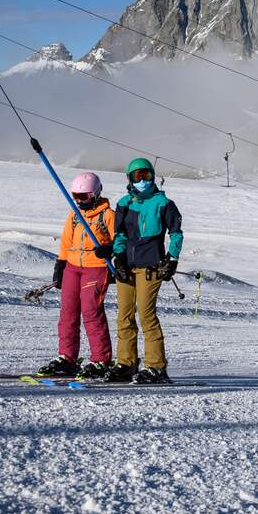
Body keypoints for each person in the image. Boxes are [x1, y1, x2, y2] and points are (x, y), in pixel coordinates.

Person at [101, 158, 184, 385]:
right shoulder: (125, 203)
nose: (142, 181)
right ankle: (126, 364)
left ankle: (156, 367)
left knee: (146, 315)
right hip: (127, 266)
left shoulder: (163, 203)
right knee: (124, 315)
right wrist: (118, 259)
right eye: (137, 176)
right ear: (129, 178)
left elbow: (176, 233)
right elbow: (119, 235)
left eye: (146, 175)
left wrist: (172, 259)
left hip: (151, 267)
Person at [38, 172, 116, 378]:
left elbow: (119, 240)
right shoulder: (74, 215)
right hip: (73, 266)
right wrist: (60, 264)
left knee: (91, 311)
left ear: (96, 194)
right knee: (68, 313)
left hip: (96, 266)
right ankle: (67, 358)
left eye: (84, 197)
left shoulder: (108, 215)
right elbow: (66, 241)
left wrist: (110, 249)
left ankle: (101, 359)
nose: (79, 201)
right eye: (76, 196)